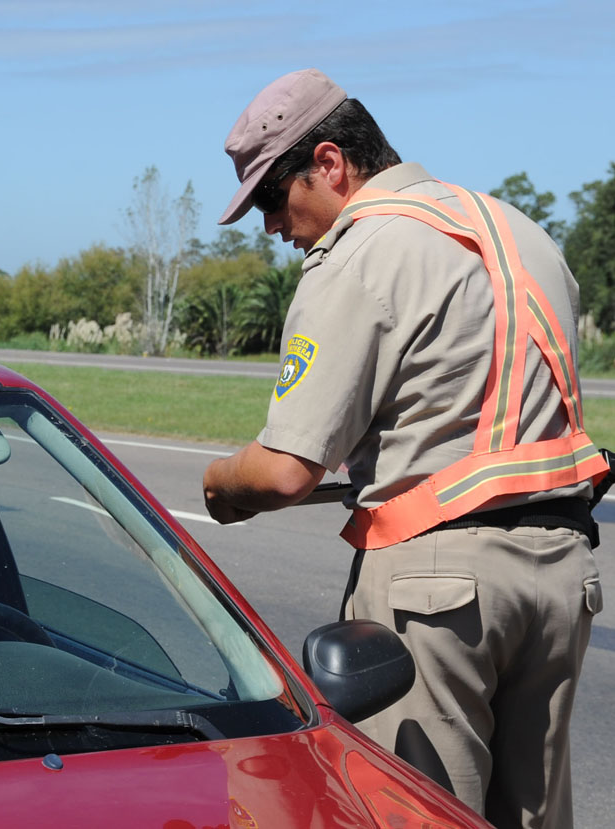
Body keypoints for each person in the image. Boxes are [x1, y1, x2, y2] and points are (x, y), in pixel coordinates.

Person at [202, 68, 605, 828]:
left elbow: (288, 469)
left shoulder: (362, 251)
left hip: (438, 587)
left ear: (329, 163)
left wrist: (221, 484)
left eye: (268, 198)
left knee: (415, 811)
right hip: (561, 572)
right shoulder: (521, 232)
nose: (270, 227)